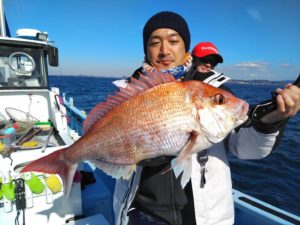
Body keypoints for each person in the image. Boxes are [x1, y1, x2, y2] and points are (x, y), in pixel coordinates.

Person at [113, 11, 300, 225]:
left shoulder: (214, 91)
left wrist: (271, 122)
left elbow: (246, 149)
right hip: (139, 213)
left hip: (200, 218)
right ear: (146, 50)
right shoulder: (129, 94)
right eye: (155, 42)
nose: (164, 50)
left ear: (186, 49)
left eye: (174, 41)